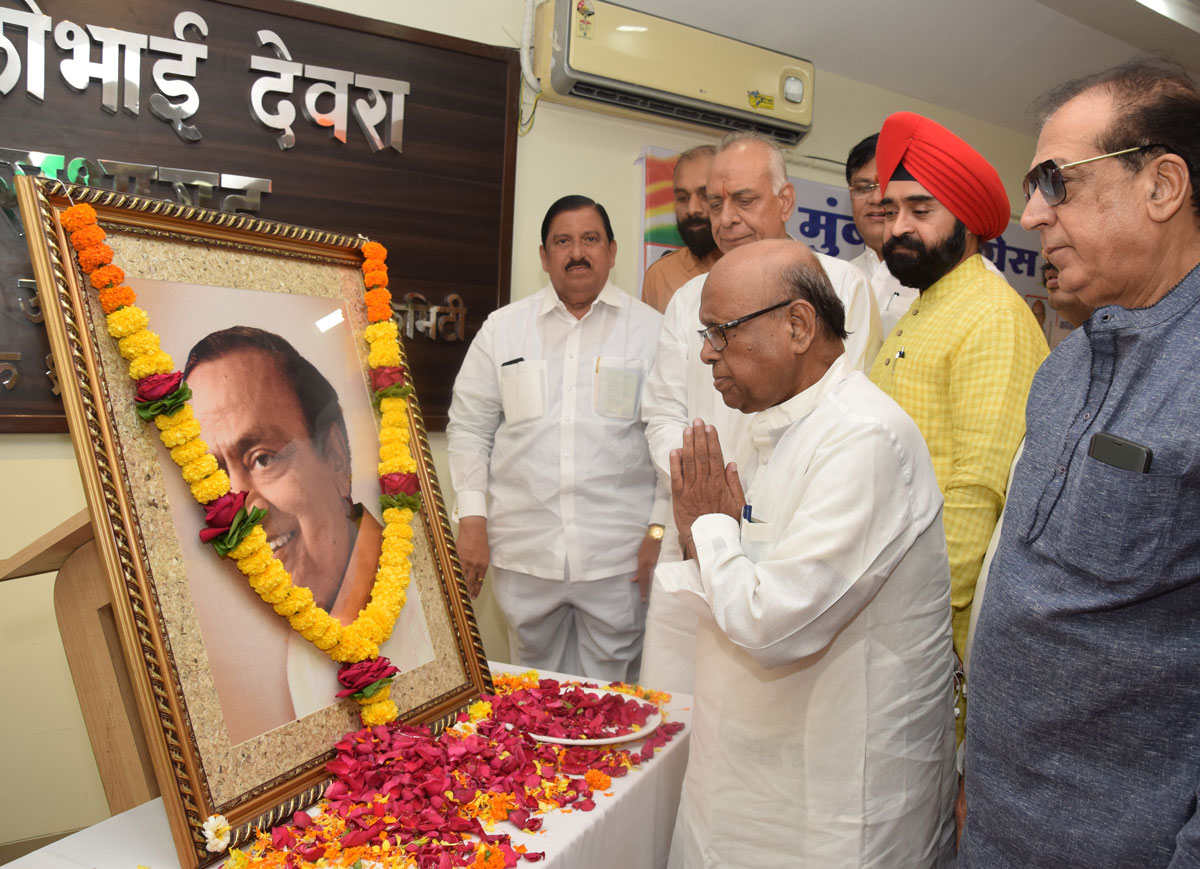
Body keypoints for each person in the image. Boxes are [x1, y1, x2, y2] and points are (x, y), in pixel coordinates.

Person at [961, 59, 1200, 867]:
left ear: (1161, 186)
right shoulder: (1064, 363)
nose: (1029, 214)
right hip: (997, 821)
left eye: (1054, 182)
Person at [658, 239, 956, 867]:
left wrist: (710, 526)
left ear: (798, 325)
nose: (707, 352)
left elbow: (773, 625)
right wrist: (712, 535)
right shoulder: (787, 422)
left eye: (722, 332)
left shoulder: (865, 439)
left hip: (839, 802)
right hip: (763, 773)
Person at [639, 131, 882, 692]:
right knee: (676, 711)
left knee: (763, 700)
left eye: (744, 200)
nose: (724, 218)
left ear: (786, 201)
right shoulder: (686, 300)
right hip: (697, 529)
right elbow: (662, 410)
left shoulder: (838, 285)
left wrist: (749, 504)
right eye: (714, 202)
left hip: (789, 536)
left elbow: (838, 412)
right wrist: (703, 491)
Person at [869, 112, 1048, 741]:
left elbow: (980, 489)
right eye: (890, 211)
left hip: (933, 635)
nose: (899, 228)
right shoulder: (925, 307)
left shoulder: (991, 316)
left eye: (921, 209)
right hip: (887, 609)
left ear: (967, 219)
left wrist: (927, 628)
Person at [447, 195, 661, 681]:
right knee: (530, 691)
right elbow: (470, 427)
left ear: (611, 250)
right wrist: (472, 520)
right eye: (562, 241)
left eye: (590, 240)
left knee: (614, 696)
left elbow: (669, 436)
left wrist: (658, 531)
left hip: (618, 558)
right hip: (524, 551)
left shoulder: (651, 333)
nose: (577, 252)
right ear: (544, 256)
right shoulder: (503, 330)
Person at [184, 326, 433, 741]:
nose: (236, 510)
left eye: (263, 459)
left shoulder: (421, 598)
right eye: (211, 476)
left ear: (335, 459)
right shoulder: (273, 642)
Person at [845, 133, 919, 334]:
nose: (877, 198)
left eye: (886, 185)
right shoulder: (838, 278)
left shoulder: (935, 275)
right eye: (863, 187)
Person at [642, 145, 721, 313]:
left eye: (705, 195)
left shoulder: (759, 266)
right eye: (683, 198)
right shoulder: (660, 275)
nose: (692, 209)